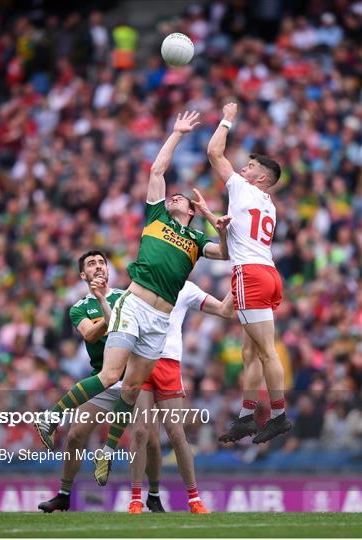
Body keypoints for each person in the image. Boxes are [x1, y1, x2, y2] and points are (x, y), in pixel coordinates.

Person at [34, 111, 229, 488]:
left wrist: (215, 223)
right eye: (174, 194)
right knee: (109, 375)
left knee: (129, 388)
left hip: (160, 320)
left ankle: (107, 451)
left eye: (183, 199)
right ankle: (51, 416)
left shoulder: (196, 239)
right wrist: (175, 133)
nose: (175, 195)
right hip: (134, 304)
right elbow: (157, 171)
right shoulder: (156, 217)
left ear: (191, 211)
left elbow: (223, 253)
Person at [38, 250, 165, 512]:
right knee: (74, 435)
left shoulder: (127, 297)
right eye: (91, 264)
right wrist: (104, 308)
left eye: (101, 263)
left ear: (108, 270)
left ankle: (152, 496)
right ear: (83, 275)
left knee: (148, 438)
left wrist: (108, 307)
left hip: (133, 377)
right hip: (103, 380)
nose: (98, 267)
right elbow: (90, 334)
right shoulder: (79, 307)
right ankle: (63, 495)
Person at [205, 103, 292, 444]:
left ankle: (280, 415)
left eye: (251, 166)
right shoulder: (268, 202)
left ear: (262, 179)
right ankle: (246, 416)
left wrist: (226, 117)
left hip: (251, 275)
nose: (243, 168)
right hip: (268, 272)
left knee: (266, 351)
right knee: (250, 351)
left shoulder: (243, 189)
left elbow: (214, 151)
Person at [128, 279, 234, 514]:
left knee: (176, 433)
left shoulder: (185, 287)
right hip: (140, 361)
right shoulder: (140, 282)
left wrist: (240, 280)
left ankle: (194, 499)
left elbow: (224, 310)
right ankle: (135, 499)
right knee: (139, 431)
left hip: (168, 363)